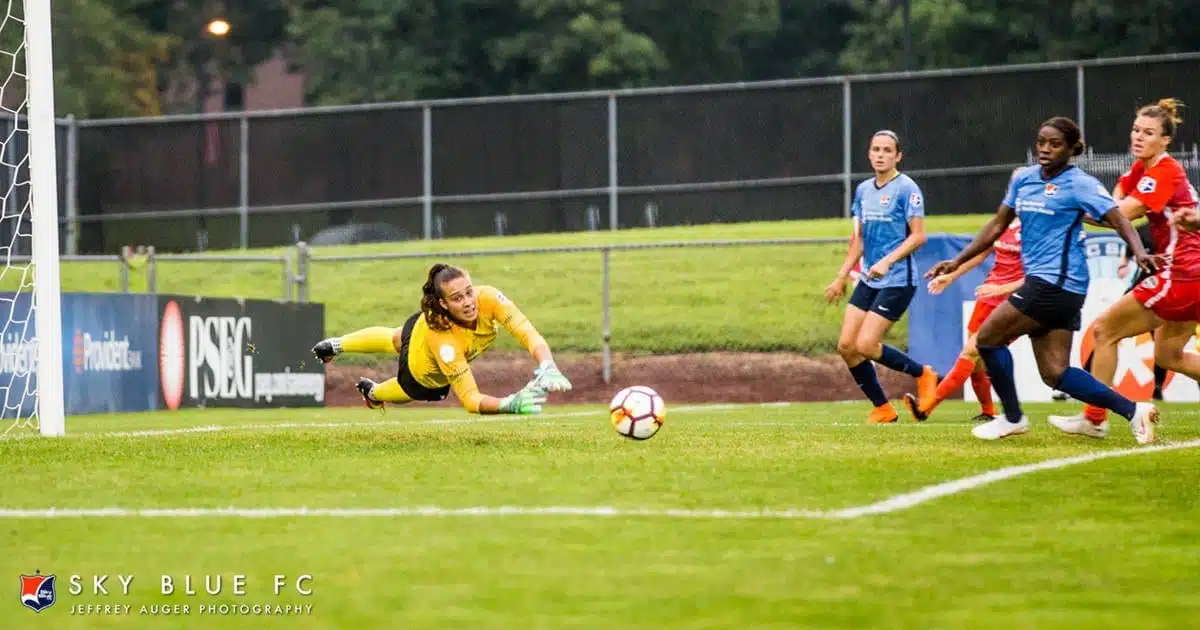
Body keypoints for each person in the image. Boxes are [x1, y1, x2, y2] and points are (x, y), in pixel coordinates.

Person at [924, 116, 1161, 442]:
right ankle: (1134, 411)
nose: (1045, 149)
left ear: (1072, 149)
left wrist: (1139, 252)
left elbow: (1119, 219)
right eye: (1041, 142)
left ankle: (1012, 418)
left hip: (1055, 283)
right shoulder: (1024, 180)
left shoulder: (1080, 183)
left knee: (987, 339)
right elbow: (997, 225)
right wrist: (957, 261)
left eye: (1055, 144)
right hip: (1055, 287)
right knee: (1055, 373)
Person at [1049, 99, 1200, 440]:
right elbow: (1115, 201)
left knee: (1105, 331)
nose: (1138, 137)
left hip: (1181, 273)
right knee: (1170, 356)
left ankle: (1094, 419)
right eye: (1136, 130)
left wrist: (1065, 207)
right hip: (1191, 274)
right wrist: (1098, 206)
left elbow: (1119, 214)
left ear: (1165, 140)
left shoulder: (1163, 171)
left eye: (1149, 133)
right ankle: (1095, 418)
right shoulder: (1142, 169)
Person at [310, 263, 572, 415]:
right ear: (443, 304)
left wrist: (547, 364)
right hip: (423, 368)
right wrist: (508, 404)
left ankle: (336, 345)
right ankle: (373, 392)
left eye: (469, 292)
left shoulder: (489, 298)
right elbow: (470, 398)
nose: (468, 302)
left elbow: (526, 331)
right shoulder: (444, 341)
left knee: (396, 337)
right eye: (457, 298)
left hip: (420, 329)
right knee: (413, 388)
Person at [825, 129, 938, 424]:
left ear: (898, 156)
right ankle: (883, 409)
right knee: (846, 347)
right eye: (876, 149)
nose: (881, 155)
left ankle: (924, 374)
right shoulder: (863, 190)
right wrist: (841, 276)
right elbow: (859, 241)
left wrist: (887, 261)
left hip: (898, 279)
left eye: (887, 150)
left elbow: (919, 236)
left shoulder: (907, 188)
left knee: (866, 345)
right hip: (869, 278)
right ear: (869, 154)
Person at [906, 167, 1026, 423]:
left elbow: (1038, 274)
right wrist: (951, 276)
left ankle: (926, 407)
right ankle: (988, 411)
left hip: (1010, 301)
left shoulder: (1037, 226)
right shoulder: (1005, 221)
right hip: (988, 296)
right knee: (975, 361)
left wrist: (1003, 289)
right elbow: (981, 253)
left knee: (971, 352)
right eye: (1014, 185)